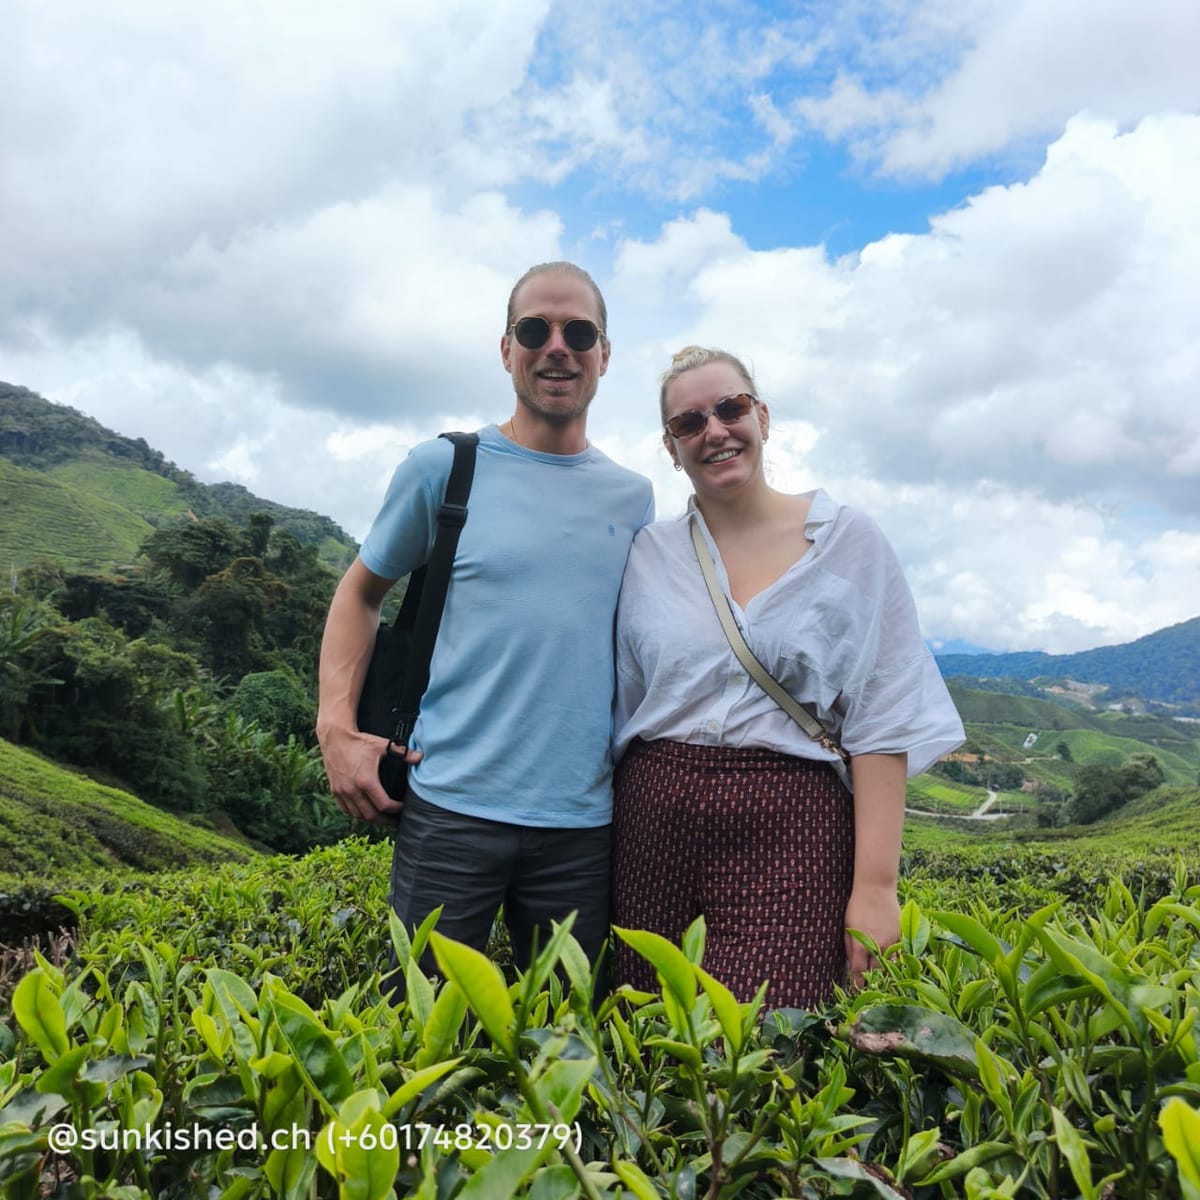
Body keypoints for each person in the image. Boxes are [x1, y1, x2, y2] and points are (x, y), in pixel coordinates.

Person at [317, 262, 654, 982]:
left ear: (604, 354)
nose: (557, 347)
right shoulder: (444, 468)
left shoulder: (633, 499)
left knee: (569, 1032)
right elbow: (360, 593)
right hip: (448, 808)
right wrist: (334, 727)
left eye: (579, 333)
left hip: (582, 826)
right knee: (424, 1023)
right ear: (506, 350)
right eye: (534, 330)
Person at [612, 346, 963, 1008]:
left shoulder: (846, 541)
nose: (715, 430)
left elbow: (883, 714)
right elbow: (625, 700)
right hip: (653, 822)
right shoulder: (648, 555)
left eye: (731, 408)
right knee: (646, 1030)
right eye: (689, 422)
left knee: (767, 1036)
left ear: (762, 417)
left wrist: (876, 888)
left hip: (790, 822)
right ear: (671, 447)